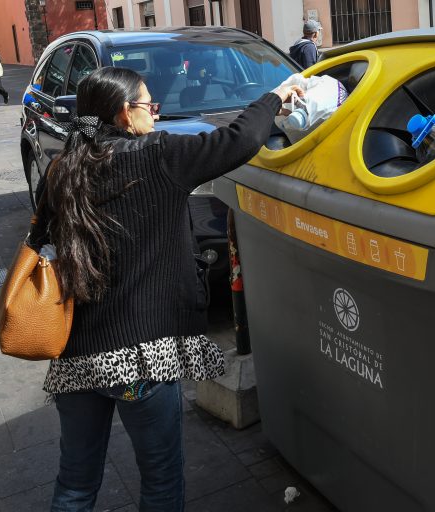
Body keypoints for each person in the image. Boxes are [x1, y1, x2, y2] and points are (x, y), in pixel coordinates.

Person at [30, 66, 303, 512]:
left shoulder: (63, 168)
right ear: (124, 112)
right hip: (140, 356)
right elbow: (237, 141)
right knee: (160, 480)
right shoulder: (155, 155)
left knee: (75, 484)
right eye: (149, 106)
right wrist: (274, 98)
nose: (155, 115)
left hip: (76, 354)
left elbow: (41, 236)